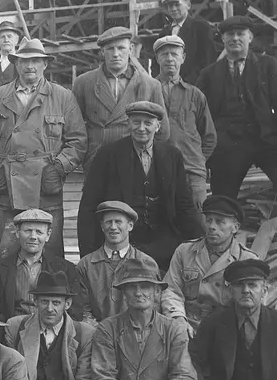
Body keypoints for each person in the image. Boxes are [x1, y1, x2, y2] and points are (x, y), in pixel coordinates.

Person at [0, 38, 85, 260]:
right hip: (7, 186)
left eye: (35, 60)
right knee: (8, 254)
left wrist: (58, 169)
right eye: (24, 61)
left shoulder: (62, 97)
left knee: (50, 255)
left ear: (45, 64)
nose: (30, 66)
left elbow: (78, 141)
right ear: (16, 64)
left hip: (45, 186)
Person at [199, 15, 277, 237]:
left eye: (240, 34)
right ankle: (223, 250)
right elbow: (201, 115)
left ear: (250, 37)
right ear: (223, 39)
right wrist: (207, 150)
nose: (235, 38)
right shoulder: (209, 74)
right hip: (229, 144)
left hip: (267, 140)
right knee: (222, 202)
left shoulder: (268, 65)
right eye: (230, 34)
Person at [77, 100, 203, 269]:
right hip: (123, 241)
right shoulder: (108, 154)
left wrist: (197, 246)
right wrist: (87, 254)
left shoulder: (172, 155)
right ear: (128, 124)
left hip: (163, 241)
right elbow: (89, 205)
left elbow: (184, 203)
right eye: (136, 122)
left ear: (158, 126)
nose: (141, 128)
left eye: (148, 123)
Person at [72, 26, 169, 167]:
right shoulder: (84, 83)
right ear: (102, 51)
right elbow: (74, 127)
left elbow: (163, 131)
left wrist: (146, 157)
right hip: (97, 161)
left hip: (135, 162)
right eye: (110, 49)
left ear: (131, 49)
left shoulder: (150, 85)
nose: (116, 54)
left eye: (121, 48)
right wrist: (86, 155)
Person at [163, 196, 259, 331]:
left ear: (235, 227)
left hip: (227, 328)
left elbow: (253, 304)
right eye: (209, 220)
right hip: (188, 324)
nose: (212, 227)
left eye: (219, 222)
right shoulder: (185, 252)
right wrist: (178, 320)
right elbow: (171, 290)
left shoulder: (248, 260)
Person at [0, 209, 89, 323]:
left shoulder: (65, 269)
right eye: (28, 231)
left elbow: (75, 309)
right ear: (17, 232)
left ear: (48, 235)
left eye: (39, 232)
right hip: (13, 329)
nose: (33, 237)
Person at [154, 35, 216, 208]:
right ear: (157, 58)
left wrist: (197, 160)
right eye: (164, 54)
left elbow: (209, 136)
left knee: (197, 219)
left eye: (174, 54)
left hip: (192, 172)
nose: (169, 59)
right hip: (156, 170)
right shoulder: (148, 90)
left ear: (183, 58)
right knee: (161, 219)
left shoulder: (195, 95)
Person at [77, 201, 160, 324]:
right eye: (108, 222)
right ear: (102, 226)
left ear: (130, 226)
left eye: (118, 222)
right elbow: (84, 310)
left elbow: (153, 307)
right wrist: (100, 331)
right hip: (97, 331)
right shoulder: (86, 265)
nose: (113, 227)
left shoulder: (146, 263)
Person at [155, 0, 218, 81]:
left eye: (177, 4)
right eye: (170, 6)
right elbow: (156, 60)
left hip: (194, 85)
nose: (173, 9)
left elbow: (208, 60)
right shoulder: (164, 32)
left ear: (188, 5)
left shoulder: (201, 27)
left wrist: (186, 83)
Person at [0, 20, 23, 89]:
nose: (6, 40)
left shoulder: (22, 63)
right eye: (2, 37)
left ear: (16, 40)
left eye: (9, 36)